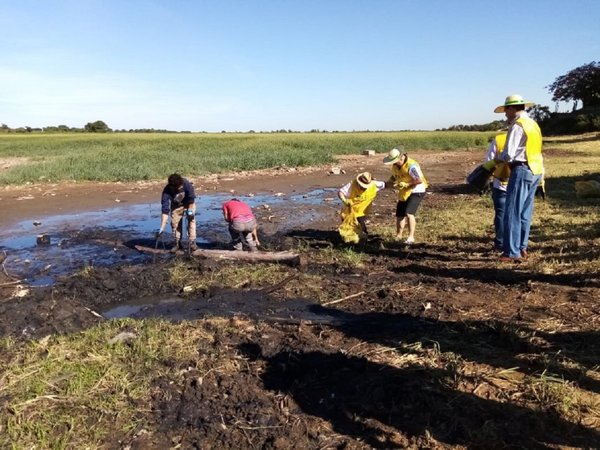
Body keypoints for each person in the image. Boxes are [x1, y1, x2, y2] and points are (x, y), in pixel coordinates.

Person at [493, 94, 544, 262]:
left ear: (512, 108)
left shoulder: (517, 126)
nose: (505, 114)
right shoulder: (533, 124)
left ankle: (511, 252)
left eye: (506, 110)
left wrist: (497, 160)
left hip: (521, 169)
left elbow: (509, 154)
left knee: (512, 212)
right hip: (536, 171)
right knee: (525, 213)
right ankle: (522, 247)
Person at [383, 148, 428, 244]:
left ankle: (411, 237)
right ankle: (399, 235)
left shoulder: (411, 166)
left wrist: (406, 184)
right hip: (404, 192)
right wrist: (390, 182)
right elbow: (394, 176)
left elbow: (418, 180)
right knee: (400, 214)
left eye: (395, 161)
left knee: (409, 213)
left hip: (416, 191)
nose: (394, 163)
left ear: (401, 158)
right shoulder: (395, 166)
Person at [338, 171, 385, 243]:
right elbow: (340, 192)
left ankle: (362, 241)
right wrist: (344, 200)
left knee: (361, 226)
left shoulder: (375, 184)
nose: (363, 188)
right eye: (362, 186)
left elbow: (386, 184)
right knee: (349, 227)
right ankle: (351, 241)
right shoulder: (352, 184)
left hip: (362, 211)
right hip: (350, 211)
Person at [481, 132, 510, 251]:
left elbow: (489, 162)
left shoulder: (499, 140)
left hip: (501, 185)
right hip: (520, 184)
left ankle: (500, 243)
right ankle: (518, 244)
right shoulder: (527, 136)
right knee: (519, 215)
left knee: (501, 214)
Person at [157, 173, 197, 252]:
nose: (180, 187)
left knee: (191, 220)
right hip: (176, 206)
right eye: (179, 187)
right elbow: (165, 210)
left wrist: (189, 211)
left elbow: (191, 199)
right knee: (174, 223)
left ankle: (192, 242)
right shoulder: (167, 190)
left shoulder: (186, 183)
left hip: (188, 204)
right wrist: (162, 228)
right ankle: (177, 243)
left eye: (181, 186)